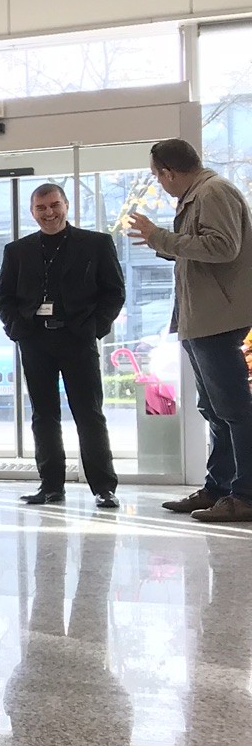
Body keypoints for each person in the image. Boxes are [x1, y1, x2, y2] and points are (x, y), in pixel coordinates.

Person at [126, 138, 252, 524]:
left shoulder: (213, 192)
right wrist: (162, 243)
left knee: (234, 410)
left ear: (169, 172)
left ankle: (245, 495)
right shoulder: (197, 195)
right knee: (214, 409)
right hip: (201, 319)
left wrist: (161, 237)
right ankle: (219, 488)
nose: (159, 183)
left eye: (157, 176)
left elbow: (223, 247)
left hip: (220, 319)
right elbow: (200, 248)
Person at [0, 182, 124, 509]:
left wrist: (95, 328)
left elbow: (114, 292)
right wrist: (18, 328)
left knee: (89, 413)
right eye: (41, 208)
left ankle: (104, 487)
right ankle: (51, 486)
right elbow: (3, 297)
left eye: (55, 205)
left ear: (66, 205)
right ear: (32, 212)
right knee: (44, 415)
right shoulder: (17, 251)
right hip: (35, 339)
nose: (49, 213)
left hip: (78, 338)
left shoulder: (96, 244)